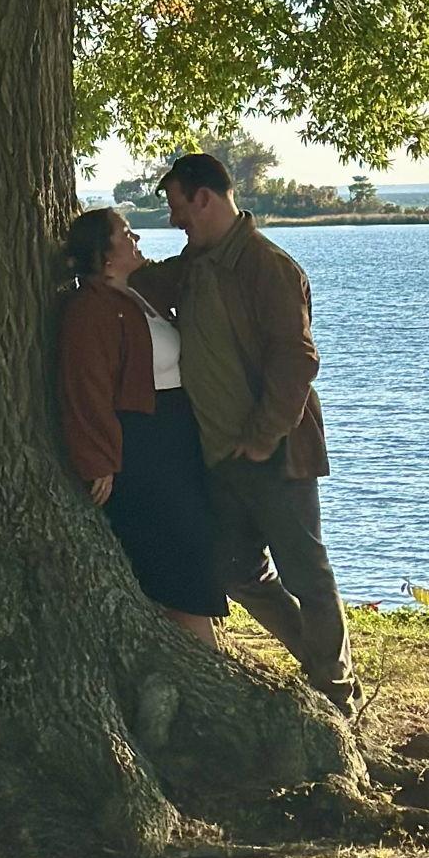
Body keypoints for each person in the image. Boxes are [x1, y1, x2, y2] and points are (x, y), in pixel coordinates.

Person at [134, 152, 361, 717]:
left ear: (204, 198)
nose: (173, 220)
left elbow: (297, 362)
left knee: (306, 571)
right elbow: (153, 285)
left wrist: (262, 439)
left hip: (275, 454)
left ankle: (336, 691)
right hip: (221, 458)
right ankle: (317, 663)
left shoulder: (268, 267)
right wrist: (118, 269)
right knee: (232, 569)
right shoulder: (196, 262)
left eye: (177, 206)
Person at [56, 206, 227, 646]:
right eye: (127, 234)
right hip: (143, 443)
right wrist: (99, 459)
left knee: (194, 543)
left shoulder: (138, 294)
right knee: (177, 551)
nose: (137, 241)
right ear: (106, 255)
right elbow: (86, 387)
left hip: (174, 437)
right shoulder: (90, 308)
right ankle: (201, 655)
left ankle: (200, 655)